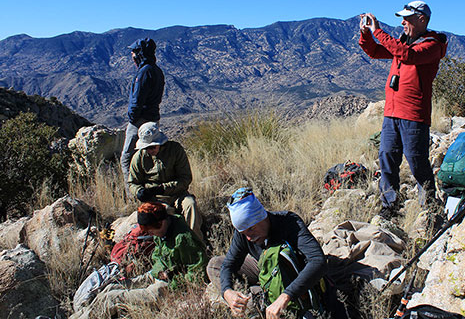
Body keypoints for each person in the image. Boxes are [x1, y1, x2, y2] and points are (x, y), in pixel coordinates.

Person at [359, 1, 447, 218]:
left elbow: (409, 55)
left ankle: (429, 207)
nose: (403, 22)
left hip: (414, 115)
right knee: (387, 158)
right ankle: (389, 206)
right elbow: (374, 51)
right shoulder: (404, 43)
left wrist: (378, 31)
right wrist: (366, 34)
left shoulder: (431, 45)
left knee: (417, 162)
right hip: (392, 112)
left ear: (422, 20)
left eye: (407, 19)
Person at [207, 188, 348, 319]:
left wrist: (286, 296)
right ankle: (254, 303)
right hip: (264, 268)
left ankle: (268, 302)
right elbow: (228, 265)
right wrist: (227, 292)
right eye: (243, 232)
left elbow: (318, 261)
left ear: (261, 217)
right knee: (214, 265)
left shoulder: (289, 223)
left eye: (251, 229)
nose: (249, 237)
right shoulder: (243, 234)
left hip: (291, 275)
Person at [71, 203, 207, 319]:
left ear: (162, 222)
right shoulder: (164, 231)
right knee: (110, 288)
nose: (151, 234)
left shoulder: (183, 239)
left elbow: (197, 273)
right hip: (157, 275)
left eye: (152, 230)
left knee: (111, 298)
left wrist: (172, 278)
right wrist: (159, 271)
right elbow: (157, 256)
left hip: (169, 286)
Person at [128, 122, 204, 241]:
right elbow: (133, 182)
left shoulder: (175, 150)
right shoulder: (139, 157)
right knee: (164, 213)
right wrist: (139, 192)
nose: (150, 150)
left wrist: (163, 188)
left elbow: (185, 178)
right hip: (155, 199)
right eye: (146, 148)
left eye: (153, 147)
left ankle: (195, 242)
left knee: (191, 205)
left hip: (178, 194)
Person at [120, 38, 165, 186]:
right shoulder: (157, 71)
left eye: (134, 52)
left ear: (140, 53)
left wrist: (132, 118)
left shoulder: (144, 73)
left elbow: (137, 100)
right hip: (153, 118)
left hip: (140, 120)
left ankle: (133, 194)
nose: (132, 55)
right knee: (147, 157)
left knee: (127, 158)